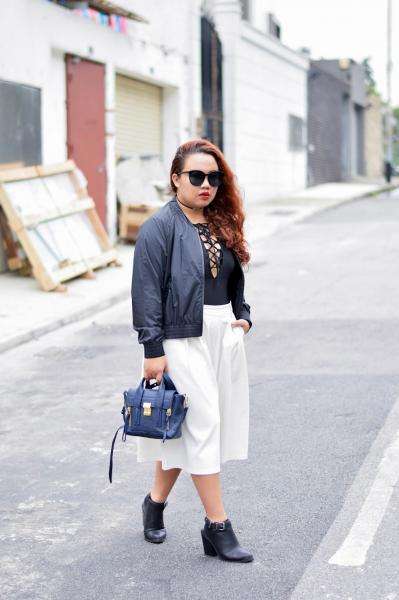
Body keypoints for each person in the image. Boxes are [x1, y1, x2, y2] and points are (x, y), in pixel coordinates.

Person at [131, 138, 254, 562]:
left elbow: (234, 280)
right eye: (196, 176)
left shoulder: (222, 222)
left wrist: (243, 315)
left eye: (214, 178)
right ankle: (217, 526)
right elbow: (145, 291)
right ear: (175, 179)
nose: (206, 185)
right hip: (180, 337)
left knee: (186, 429)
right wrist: (152, 348)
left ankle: (154, 503)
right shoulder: (159, 228)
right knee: (205, 423)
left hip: (223, 333)